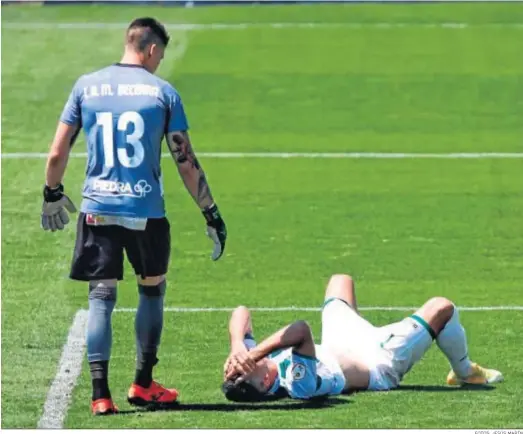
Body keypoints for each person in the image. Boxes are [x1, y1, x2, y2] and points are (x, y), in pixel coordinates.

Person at [41, 17, 227, 416]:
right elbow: (185, 162)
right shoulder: (163, 94)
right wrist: (210, 213)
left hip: (98, 210)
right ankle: (143, 384)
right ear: (153, 49)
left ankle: (100, 395)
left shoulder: (86, 85)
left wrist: (52, 194)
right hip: (145, 212)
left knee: (101, 299)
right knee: (151, 289)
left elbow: (57, 153)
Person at [222, 274, 502, 401]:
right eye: (245, 370)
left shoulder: (256, 364)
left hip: (339, 345)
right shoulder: (298, 384)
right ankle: (464, 371)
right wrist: (255, 353)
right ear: (266, 382)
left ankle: (364, 323)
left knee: (339, 280)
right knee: (442, 307)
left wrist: (238, 344)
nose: (242, 365)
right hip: (378, 362)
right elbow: (300, 330)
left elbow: (240, 312)